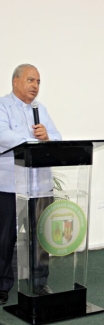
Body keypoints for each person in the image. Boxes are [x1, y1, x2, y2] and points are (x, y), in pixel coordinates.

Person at [0, 64, 62, 305]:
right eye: (30, 80)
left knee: (41, 235)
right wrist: (32, 142)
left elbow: (57, 137)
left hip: (39, 185)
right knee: (4, 237)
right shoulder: (2, 105)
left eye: (38, 82)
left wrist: (47, 137)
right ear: (15, 81)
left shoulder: (41, 109)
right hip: (9, 185)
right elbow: (3, 134)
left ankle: (40, 282)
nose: (35, 86)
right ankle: (2, 285)